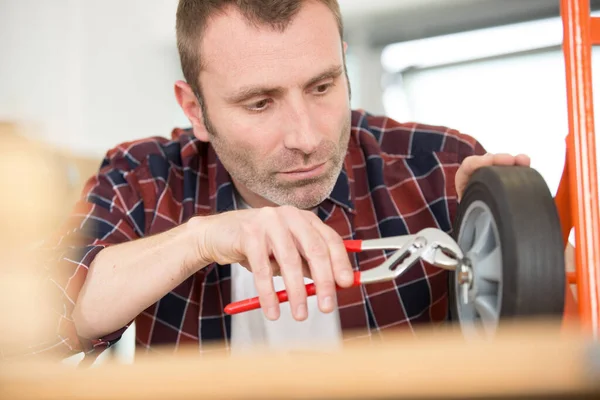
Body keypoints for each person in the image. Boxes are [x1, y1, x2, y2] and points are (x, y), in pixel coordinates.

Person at [30, 0, 533, 361]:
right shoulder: (141, 178)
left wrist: (516, 239)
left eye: (322, 86)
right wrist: (201, 239)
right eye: (260, 103)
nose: (307, 136)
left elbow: (540, 344)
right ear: (195, 110)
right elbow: (34, 330)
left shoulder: (441, 166)